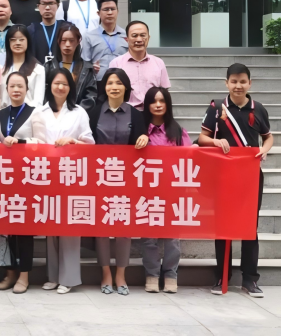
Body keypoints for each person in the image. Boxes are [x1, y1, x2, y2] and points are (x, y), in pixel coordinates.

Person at [199, 63, 273, 298]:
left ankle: (250, 279)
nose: (238, 86)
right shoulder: (216, 108)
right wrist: (216, 142)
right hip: (223, 175)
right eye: (234, 81)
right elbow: (202, 138)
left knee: (250, 227)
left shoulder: (258, 109)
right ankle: (222, 276)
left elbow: (268, 137)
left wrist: (264, 149)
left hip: (251, 176)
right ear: (226, 83)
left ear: (250, 83)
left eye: (242, 81)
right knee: (223, 226)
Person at [0, 71, 48, 294]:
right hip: (5, 178)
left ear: (27, 89)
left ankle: (24, 275)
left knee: (24, 229)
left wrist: (20, 142)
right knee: (6, 229)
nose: (16, 90)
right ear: (7, 89)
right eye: (12, 86)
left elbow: (42, 143)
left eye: (20, 86)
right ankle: (9, 273)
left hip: (27, 177)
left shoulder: (34, 112)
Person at [88, 68, 148, 296]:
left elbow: (142, 141)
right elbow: (87, 142)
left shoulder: (136, 115)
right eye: (110, 82)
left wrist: (144, 138)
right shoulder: (93, 113)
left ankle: (121, 274)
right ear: (104, 87)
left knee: (124, 228)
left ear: (126, 87)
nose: (114, 87)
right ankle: (105, 273)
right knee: (102, 228)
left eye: (119, 83)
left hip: (127, 179)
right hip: (99, 179)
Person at [38, 67, 94, 295]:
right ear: (49, 85)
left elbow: (90, 144)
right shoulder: (39, 112)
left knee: (69, 227)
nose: (60, 87)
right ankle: (53, 276)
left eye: (65, 84)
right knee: (51, 226)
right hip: (45, 175)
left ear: (71, 88)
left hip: (71, 175)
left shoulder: (79, 112)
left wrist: (73, 141)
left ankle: (69, 278)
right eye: (56, 83)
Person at [141, 86, 189, 294]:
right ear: (147, 105)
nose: (158, 105)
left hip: (172, 192)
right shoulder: (140, 130)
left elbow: (189, 158)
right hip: (147, 192)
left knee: (172, 238)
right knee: (149, 237)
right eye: (154, 101)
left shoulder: (178, 131)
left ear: (168, 104)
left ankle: (170, 274)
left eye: (162, 101)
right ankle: (151, 274)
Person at [108, 21, 170, 110]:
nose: (139, 39)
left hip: (152, 113)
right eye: (134, 35)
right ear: (127, 39)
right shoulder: (116, 64)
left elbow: (164, 92)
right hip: (126, 112)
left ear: (148, 38)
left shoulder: (159, 63)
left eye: (143, 35)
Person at [44, 23, 98, 112]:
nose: (67, 44)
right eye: (64, 40)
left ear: (78, 41)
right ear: (58, 41)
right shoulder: (48, 66)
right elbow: (43, 94)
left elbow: (90, 97)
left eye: (71, 40)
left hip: (77, 115)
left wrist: (75, 112)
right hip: (52, 114)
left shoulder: (87, 68)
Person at [81, 0, 128, 81]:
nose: (110, 12)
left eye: (112, 9)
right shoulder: (89, 36)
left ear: (117, 11)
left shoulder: (126, 35)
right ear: (98, 13)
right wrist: (92, 68)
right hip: (98, 83)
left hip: (121, 83)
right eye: (106, 9)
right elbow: (85, 64)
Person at [0, 25, 45, 108]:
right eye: (13, 40)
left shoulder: (38, 69)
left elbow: (38, 100)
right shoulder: (1, 69)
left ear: (28, 41)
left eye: (21, 39)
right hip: (6, 114)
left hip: (30, 114)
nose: (17, 43)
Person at [27, 0, 67, 64]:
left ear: (58, 6)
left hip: (61, 70)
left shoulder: (65, 28)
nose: (47, 8)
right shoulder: (31, 30)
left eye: (51, 3)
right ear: (38, 6)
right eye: (43, 3)